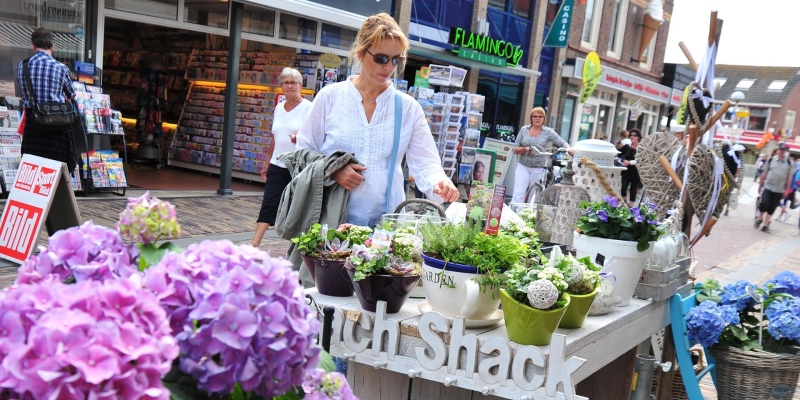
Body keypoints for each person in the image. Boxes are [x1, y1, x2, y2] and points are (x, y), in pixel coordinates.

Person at [295, 12, 459, 228]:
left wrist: (440, 182)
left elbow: (426, 162)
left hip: (384, 225)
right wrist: (333, 169)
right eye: (381, 58)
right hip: (330, 218)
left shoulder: (408, 108)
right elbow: (303, 150)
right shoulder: (331, 97)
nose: (389, 67)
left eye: (396, 60)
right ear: (361, 54)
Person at [251, 67, 313, 247]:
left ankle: (298, 246)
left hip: (299, 166)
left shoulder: (309, 108)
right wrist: (267, 162)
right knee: (269, 202)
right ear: (281, 87)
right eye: (286, 83)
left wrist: (298, 138)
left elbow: (314, 137)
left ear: (300, 85)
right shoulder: (279, 107)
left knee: (297, 207)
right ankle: (254, 244)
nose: (289, 86)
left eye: (293, 82)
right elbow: (274, 137)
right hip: (277, 163)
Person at [16, 28, 77, 173]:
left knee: (33, 168)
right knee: (56, 169)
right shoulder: (61, 68)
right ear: (52, 46)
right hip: (56, 125)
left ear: (33, 45)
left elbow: (24, 90)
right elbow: (71, 95)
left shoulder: (22, 66)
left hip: (33, 124)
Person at [510, 107, 572, 203]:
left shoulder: (547, 131)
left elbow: (561, 141)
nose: (537, 118)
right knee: (518, 193)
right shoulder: (524, 130)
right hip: (523, 166)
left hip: (538, 168)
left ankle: (528, 215)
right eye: (535, 116)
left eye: (540, 116)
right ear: (531, 118)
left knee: (533, 195)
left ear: (544, 119)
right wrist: (525, 149)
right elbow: (514, 149)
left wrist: (568, 148)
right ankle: (514, 214)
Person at [755, 143, 795, 233]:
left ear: (786, 151)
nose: (782, 151)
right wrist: (760, 185)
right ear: (778, 150)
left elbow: (790, 177)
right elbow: (764, 173)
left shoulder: (790, 163)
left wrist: (787, 190)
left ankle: (765, 225)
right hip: (768, 186)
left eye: (784, 150)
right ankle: (760, 218)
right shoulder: (771, 160)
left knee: (772, 207)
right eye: (781, 149)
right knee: (764, 203)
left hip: (779, 189)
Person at [619, 129, 642, 207]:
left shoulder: (641, 148)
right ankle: (625, 203)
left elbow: (640, 160)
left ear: (638, 137)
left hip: (636, 172)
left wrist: (629, 162)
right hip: (626, 171)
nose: (632, 137)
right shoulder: (627, 146)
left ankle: (631, 207)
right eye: (631, 135)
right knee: (623, 188)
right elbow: (618, 152)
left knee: (633, 190)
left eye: (634, 135)